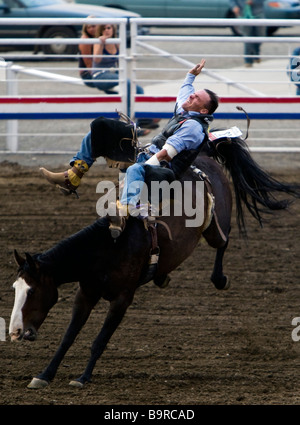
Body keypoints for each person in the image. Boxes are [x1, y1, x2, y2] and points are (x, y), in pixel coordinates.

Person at [40, 59, 219, 238]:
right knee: (99, 131)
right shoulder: (186, 110)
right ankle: (72, 177)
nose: (192, 96)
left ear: (203, 111)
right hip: (148, 153)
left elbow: (165, 156)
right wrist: (191, 76)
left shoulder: (193, 128)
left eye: (196, 97)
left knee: (135, 170)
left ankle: (123, 213)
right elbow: (184, 93)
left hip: (164, 169)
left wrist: (141, 167)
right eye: (194, 94)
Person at [90, 23, 159, 131]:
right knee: (126, 83)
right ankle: (129, 119)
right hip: (100, 76)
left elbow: (120, 62)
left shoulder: (117, 42)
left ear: (113, 29)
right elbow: (96, 60)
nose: (107, 30)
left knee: (138, 89)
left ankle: (141, 119)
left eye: (109, 28)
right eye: (103, 29)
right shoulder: (98, 41)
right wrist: (101, 44)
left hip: (113, 75)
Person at [230, 0, 265, 67]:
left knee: (260, 35)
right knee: (247, 37)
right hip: (243, 13)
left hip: (258, 14)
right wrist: (234, 6)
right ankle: (248, 60)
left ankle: (256, 53)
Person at [78, 18, 99, 89]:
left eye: (93, 26)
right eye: (88, 27)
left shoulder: (99, 37)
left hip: (99, 70)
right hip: (88, 73)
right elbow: (88, 63)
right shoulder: (85, 40)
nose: (91, 29)